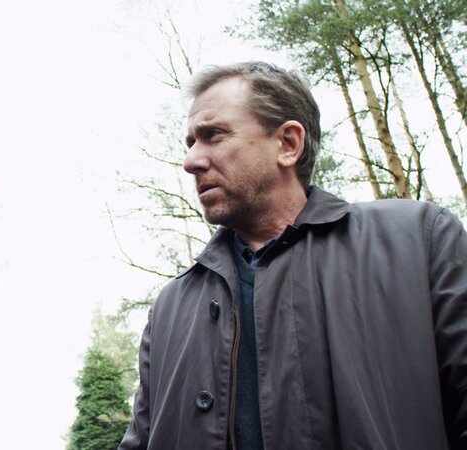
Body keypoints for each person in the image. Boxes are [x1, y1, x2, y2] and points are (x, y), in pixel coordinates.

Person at [119, 61, 467, 449]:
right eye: (190, 144)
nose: (191, 162)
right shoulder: (170, 306)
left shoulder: (417, 241)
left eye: (213, 135)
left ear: (287, 144)